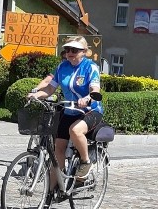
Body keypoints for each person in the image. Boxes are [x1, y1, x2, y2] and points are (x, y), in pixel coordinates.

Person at [27, 36, 103, 195]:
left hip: (89, 110)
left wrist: (87, 98)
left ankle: (85, 162)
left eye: (74, 50)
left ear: (84, 52)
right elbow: (50, 89)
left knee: (75, 131)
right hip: (69, 111)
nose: (70, 53)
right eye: (67, 49)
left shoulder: (90, 67)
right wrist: (36, 94)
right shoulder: (62, 67)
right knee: (58, 148)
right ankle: (56, 187)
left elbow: (95, 89)